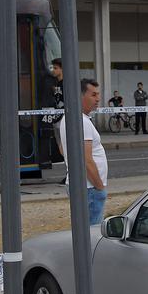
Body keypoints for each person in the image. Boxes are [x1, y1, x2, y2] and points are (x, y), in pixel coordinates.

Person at [57, 79, 109, 225]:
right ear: (80, 96)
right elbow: (86, 160)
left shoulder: (69, 118)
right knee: (91, 236)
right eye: (93, 95)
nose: (98, 99)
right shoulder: (82, 122)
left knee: (82, 232)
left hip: (82, 186)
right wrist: (100, 187)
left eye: (98, 94)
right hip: (89, 188)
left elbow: (62, 148)